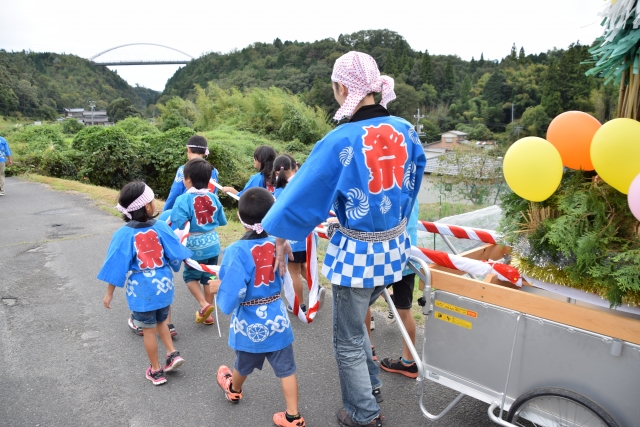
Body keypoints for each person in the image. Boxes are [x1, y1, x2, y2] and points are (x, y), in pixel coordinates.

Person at [262, 51, 426, 427]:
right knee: (355, 327)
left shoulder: (340, 140)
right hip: (395, 248)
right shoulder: (406, 129)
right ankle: (369, 387)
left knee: (347, 338)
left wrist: (281, 236)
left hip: (358, 256)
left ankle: (363, 413)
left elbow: (303, 195)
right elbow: (413, 181)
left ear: (340, 88)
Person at [210, 187, 305, 427]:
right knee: (287, 368)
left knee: (243, 362)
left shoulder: (235, 251)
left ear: (240, 218)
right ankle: (293, 416)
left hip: (249, 320)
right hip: (276, 316)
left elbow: (234, 289)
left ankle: (234, 390)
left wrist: (219, 287)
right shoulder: (279, 244)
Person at [98, 181, 193, 385]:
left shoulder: (123, 234)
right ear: (146, 206)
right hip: (164, 285)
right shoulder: (160, 227)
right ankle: (172, 353)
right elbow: (175, 252)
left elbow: (116, 265)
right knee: (162, 321)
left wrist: (109, 293)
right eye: (152, 200)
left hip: (142, 290)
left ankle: (156, 370)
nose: (155, 203)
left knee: (148, 330)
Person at [170, 158, 227, 326]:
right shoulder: (213, 197)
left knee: (190, 276)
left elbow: (178, 222)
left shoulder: (183, 199)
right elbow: (222, 221)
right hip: (213, 243)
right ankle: (208, 315)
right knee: (209, 276)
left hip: (194, 246)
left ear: (187, 179)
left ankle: (203, 304)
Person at [273, 154, 326, 314]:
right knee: (303, 265)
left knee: (293, 272)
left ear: (277, 172)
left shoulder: (280, 191)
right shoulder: (304, 185)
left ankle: (300, 304)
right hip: (308, 237)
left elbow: (279, 215)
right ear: (295, 167)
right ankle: (316, 288)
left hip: (292, 239)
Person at [377, 201, 420, 379]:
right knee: (404, 309)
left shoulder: (388, 188)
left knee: (363, 301)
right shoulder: (411, 188)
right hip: (407, 256)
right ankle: (408, 362)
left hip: (385, 256)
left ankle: (365, 352)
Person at [163, 135, 219, 212]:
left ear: (188, 149)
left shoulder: (183, 169)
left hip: (185, 210)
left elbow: (175, 192)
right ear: (204, 152)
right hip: (205, 212)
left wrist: (166, 211)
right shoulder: (213, 171)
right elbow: (214, 193)